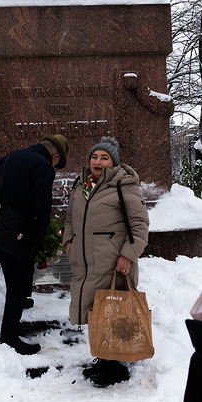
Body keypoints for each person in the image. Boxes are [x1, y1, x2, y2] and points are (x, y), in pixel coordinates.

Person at [62, 136, 149, 387]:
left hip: (111, 260)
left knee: (112, 309)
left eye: (104, 157)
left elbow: (139, 225)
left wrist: (128, 255)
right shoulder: (83, 185)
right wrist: (69, 241)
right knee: (94, 309)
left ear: (113, 162)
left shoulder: (124, 185)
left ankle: (115, 365)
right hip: (85, 261)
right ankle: (104, 357)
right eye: (94, 157)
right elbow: (70, 217)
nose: (97, 161)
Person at [0, 134, 70, 355]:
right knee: (17, 282)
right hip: (10, 230)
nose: (55, 167)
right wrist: (42, 236)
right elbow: (41, 207)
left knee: (19, 265)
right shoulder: (43, 165)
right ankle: (9, 337)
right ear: (55, 155)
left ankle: (22, 301)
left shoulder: (12, 156)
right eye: (58, 163)